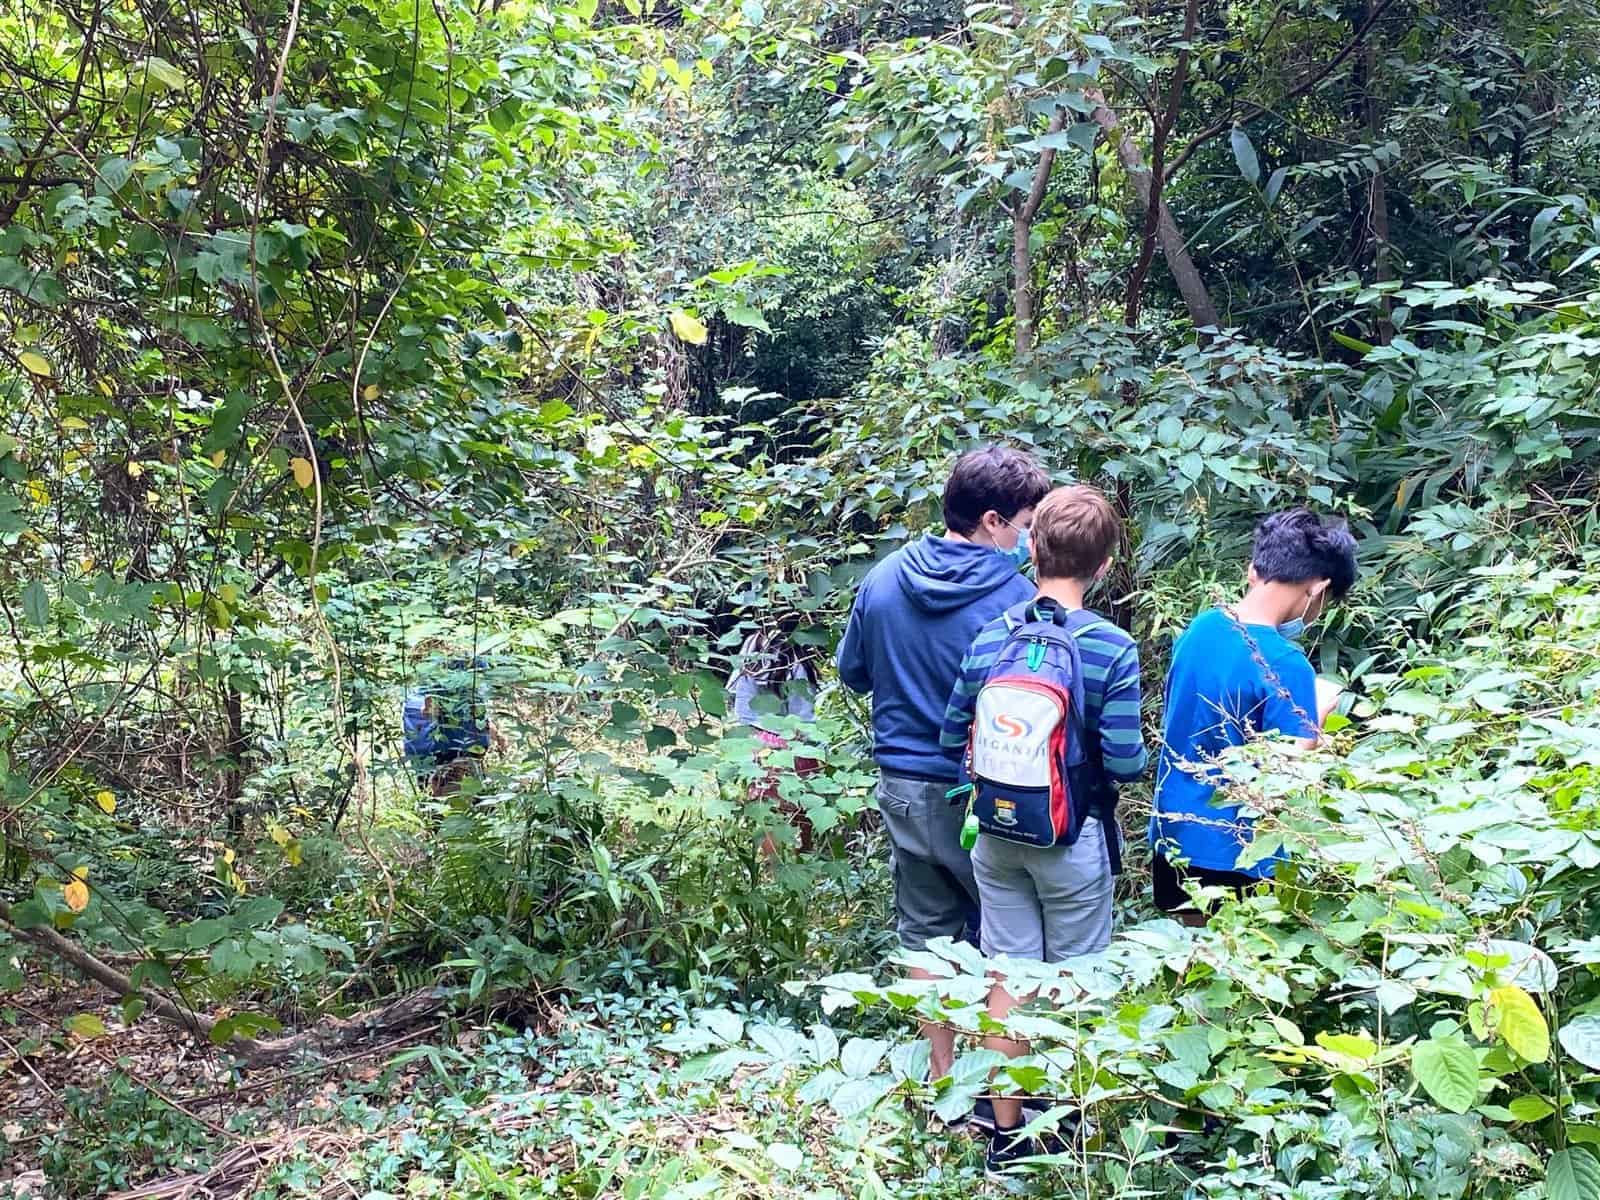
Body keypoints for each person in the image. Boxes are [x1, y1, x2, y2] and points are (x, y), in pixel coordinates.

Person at [940, 484, 1146, 1174]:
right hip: (1071, 836)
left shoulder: (992, 635)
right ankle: (1066, 1134)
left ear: (1032, 550)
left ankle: (1005, 1137)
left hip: (995, 835)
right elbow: (1126, 761)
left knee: (1010, 972)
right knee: (1076, 978)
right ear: (1105, 564)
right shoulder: (1111, 647)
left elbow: (951, 736)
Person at [836, 445, 1050, 1083]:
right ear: (993, 521)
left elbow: (853, 672)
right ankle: (996, 1091)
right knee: (1007, 937)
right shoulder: (1017, 599)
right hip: (980, 794)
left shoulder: (884, 577)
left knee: (927, 935)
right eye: (1026, 523)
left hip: (902, 786)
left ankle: (941, 1076)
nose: (1029, 538)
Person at [1149, 508, 1359, 923]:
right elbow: (1283, 775)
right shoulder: (1286, 664)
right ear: (1318, 588)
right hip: (1239, 852)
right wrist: (1317, 713)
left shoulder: (1200, 629)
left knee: (1189, 951)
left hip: (1174, 837)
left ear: (1254, 569)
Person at [727, 623, 821, 856]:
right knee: (800, 811)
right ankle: (802, 861)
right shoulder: (797, 657)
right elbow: (803, 718)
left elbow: (741, 704)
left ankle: (774, 869)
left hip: (757, 743)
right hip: (792, 744)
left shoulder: (751, 646)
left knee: (768, 816)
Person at [403, 653, 504, 798]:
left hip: (441, 731)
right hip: (442, 736)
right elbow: (428, 709)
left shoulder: (469, 663)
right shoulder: (449, 667)